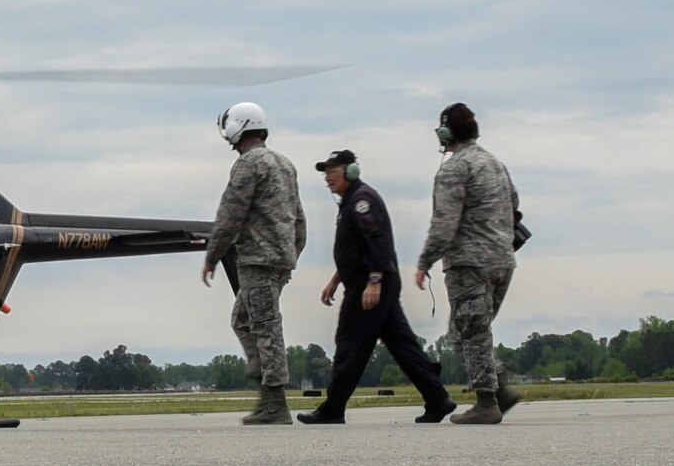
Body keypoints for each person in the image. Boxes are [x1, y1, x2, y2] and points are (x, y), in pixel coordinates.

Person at [295, 150, 455, 425]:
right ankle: (437, 399)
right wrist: (336, 280)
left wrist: (374, 282)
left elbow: (376, 240)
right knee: (402, 345)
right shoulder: (351, 200)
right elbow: (355, 248)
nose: (327, 178)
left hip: (370, 285)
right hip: (372, 282)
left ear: (351, 172)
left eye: (332, 172)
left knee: (349, 345)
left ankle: (333, 408)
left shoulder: (361, 200)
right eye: (325, 173)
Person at [414, 102, 522, 424]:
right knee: (462, 334)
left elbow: (444, 223)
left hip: (468, 264)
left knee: (472, 335)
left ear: (446, 133)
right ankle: (500, 388)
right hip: (502, 261)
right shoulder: (495, 164)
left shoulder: (453, 169)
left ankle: (487, 403)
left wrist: (425, 260)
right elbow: (514, 203)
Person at [202, 102, 307, 425]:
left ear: (238, 127)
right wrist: (292, 255)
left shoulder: (248, 165)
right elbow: (299, 219)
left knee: (265, 327)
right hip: (281, 259)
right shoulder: (285, 164)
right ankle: (265, 385)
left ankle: (275, 403)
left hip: (257, 259)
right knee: (243, 319)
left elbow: (230, 214)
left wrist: (213, 256)